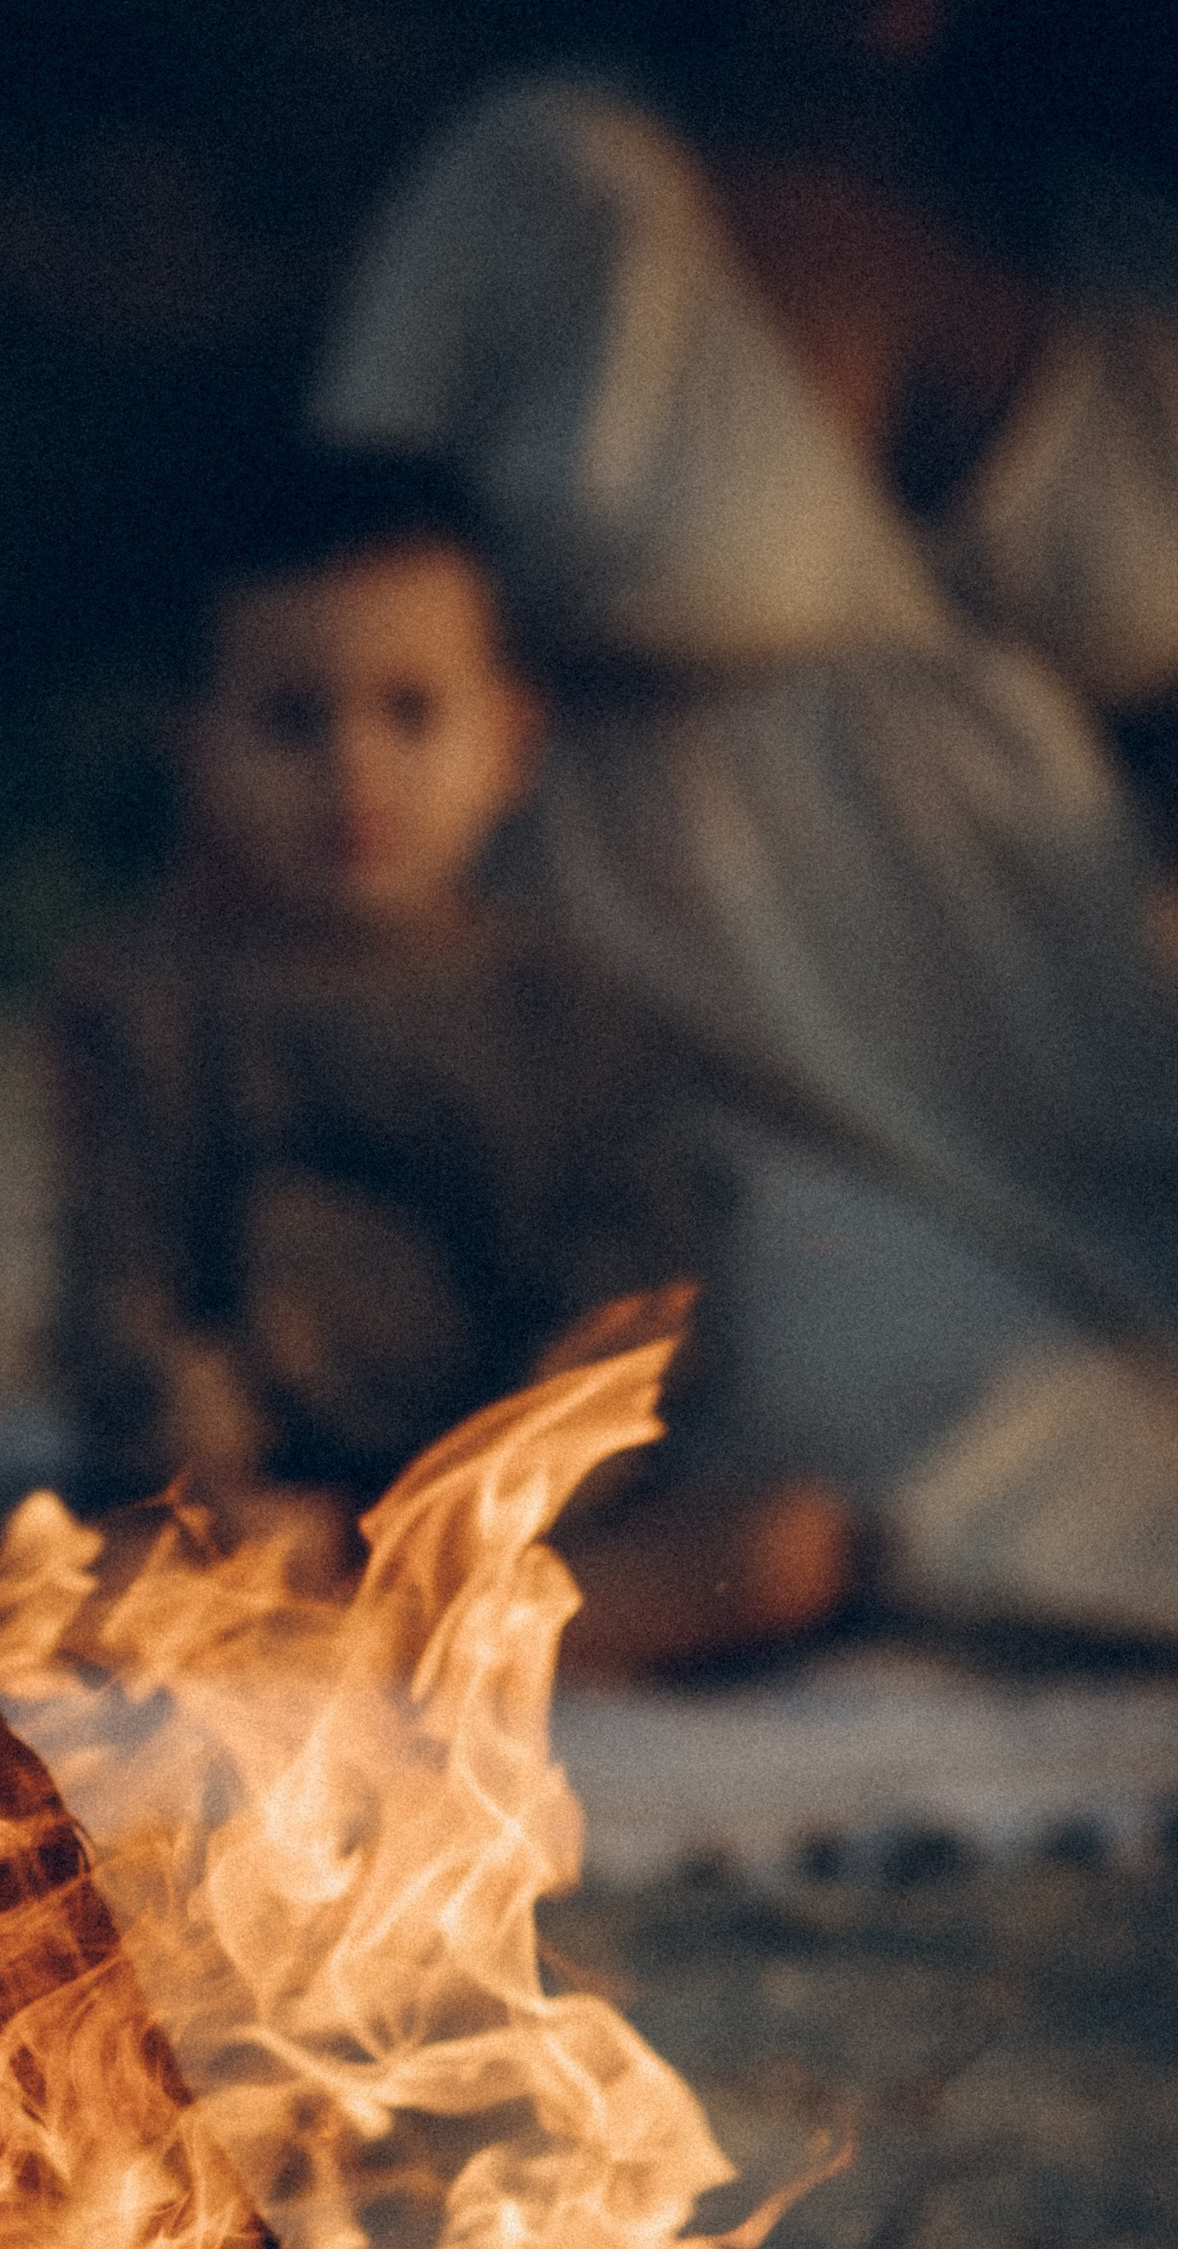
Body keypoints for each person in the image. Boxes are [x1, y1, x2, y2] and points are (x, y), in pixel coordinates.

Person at [310, 0, 1178, 1642]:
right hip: (705, 1069)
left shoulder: (1128, 254)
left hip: (1092, 1054)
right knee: (988, 1430)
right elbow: (321, 619)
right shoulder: (547, 187)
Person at [44, 443, 855, 1672]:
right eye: (290, 721)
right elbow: (123, 1290)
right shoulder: (156, 1005)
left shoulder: (567, 1012)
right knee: (52, 1568)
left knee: (785, 1547)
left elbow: (639, 1300)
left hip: (511, 1515)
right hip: (265, 1510)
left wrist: (518, 1484)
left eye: (409, 711)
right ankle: (391, 1638)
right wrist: (204, 1462)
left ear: (508, 743)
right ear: (197, 754)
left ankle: (390, 1636)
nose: (352, 767)